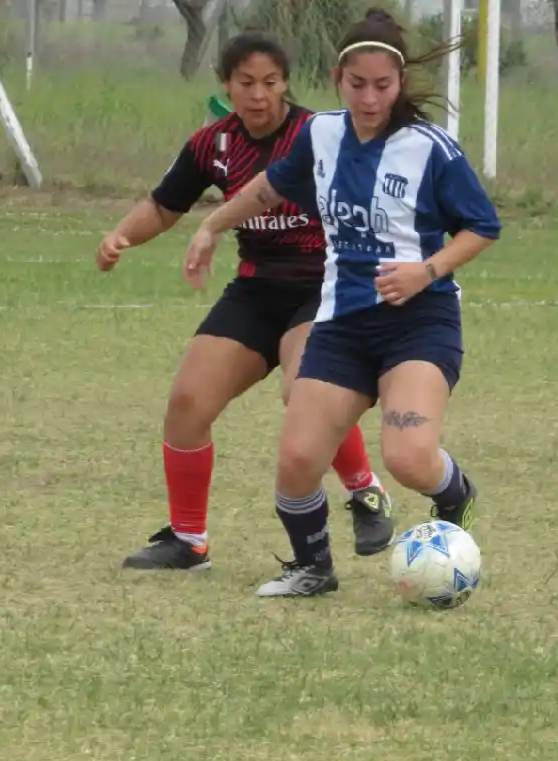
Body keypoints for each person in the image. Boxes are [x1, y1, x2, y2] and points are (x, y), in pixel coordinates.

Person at [183, 7, 502, 597]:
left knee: (408, 457)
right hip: (342, 321)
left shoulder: (430, 148)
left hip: (419, 323)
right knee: (297, 458)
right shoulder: (320, 133)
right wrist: (212, 226)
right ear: (338, 78)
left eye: (383, 85)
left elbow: (482, 226)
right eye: (358, 84)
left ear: (399, 83)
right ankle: (312, 569)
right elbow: (268, 187)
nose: (371, 98)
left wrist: (425, 271)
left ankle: (457, 495)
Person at [95, 29, 394, 570]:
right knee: (188, 402)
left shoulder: (318, 134)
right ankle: (189, 540)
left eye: (270, 82)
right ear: (226, 85)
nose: (259, 95)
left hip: (323, 285)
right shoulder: (213, 144)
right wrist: (120, 237)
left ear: (287, 85)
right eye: (246, 83)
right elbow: (165, 206)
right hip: (256, 289)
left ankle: (365, 491)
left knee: (305, 391)